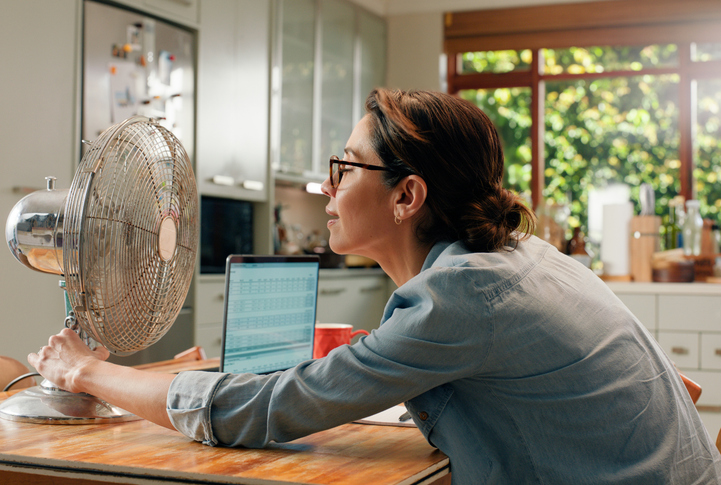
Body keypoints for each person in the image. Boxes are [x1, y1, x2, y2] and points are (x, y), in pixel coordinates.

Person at [30, 89, 721, 484]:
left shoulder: (459, 296)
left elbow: (261, 409)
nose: (327, 185)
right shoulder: (525, 257)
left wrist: (88, 370)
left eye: (347, 166)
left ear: (406, 196)